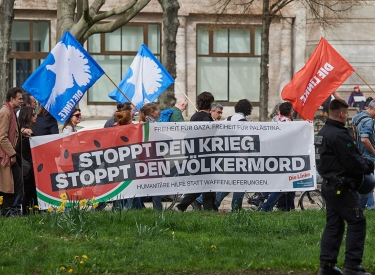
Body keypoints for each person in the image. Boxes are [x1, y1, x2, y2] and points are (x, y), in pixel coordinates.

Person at [315, 99, 373, 275]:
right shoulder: (338, 135)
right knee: (357, 221)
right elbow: (353, 161)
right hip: (342, 186)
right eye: (346, 114)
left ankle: (327, 266)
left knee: (334, 224)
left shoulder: (323, 132)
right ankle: (352, 266)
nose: (347, 117)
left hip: (329, 185)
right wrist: (369, 166)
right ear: (341, 114)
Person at [174, 92, 216, 212]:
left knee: (207, 183)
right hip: (204, 156)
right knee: (205, 183)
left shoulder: (194, 117)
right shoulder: (206, 118)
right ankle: (182, 206)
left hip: (194, 154)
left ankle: (209, 209)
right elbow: (206, 137)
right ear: (210, 103)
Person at [214, 99, 253, 211]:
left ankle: (213, 202)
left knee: (231, 182)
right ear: (248, 109)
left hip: (228, 156)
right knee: (239, 183)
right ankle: (236, 208)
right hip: (240, 157)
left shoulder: (228, 119)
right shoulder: (243, 123)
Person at [261, 102, 296, 212]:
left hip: (274, 154)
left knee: (287, 183)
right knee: (283, 184)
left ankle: (288, 207)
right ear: (290, 112)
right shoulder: (288, 123)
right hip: (285, 156)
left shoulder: (275, 120)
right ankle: (266, 207)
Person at [0, 87, 25, 216]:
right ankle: (4, 214)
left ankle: (5, 213)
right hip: (5, 155)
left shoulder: (11, 112)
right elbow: (2, 137)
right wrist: (12, 154)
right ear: (11, 99)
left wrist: (22, 132)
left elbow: (12, 132)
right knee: (11, 185)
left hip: (8, 154)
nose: (22, 101)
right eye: (19, 98)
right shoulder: (5, 112)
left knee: (12, 185)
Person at [352, 100, 375, 210]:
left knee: (366, 180)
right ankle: (369, 206)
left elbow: (354, 135)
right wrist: (374, 151)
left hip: (359, 154)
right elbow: (364, 139)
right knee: (369, 181)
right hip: (368, 155)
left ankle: (368, 205)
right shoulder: (369, 121)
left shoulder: (356, 117)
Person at [138, 103, 162, 210]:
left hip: (149, 158)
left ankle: (136, 204)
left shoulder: (150, 123)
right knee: (156, 185)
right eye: (156, 110)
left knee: (151, 184)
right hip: (152, 158)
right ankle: (157, 208)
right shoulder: (148, 124)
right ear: (152, 113)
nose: (158, 112)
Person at [18, 107, 38, 214]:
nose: (35, 117)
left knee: (29, 192)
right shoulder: (26, 133)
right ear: (27, 117)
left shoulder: (24, 131)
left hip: (28, 165)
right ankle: (28, 213)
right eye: (33, 115)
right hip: (28, 167)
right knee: (29, 191)